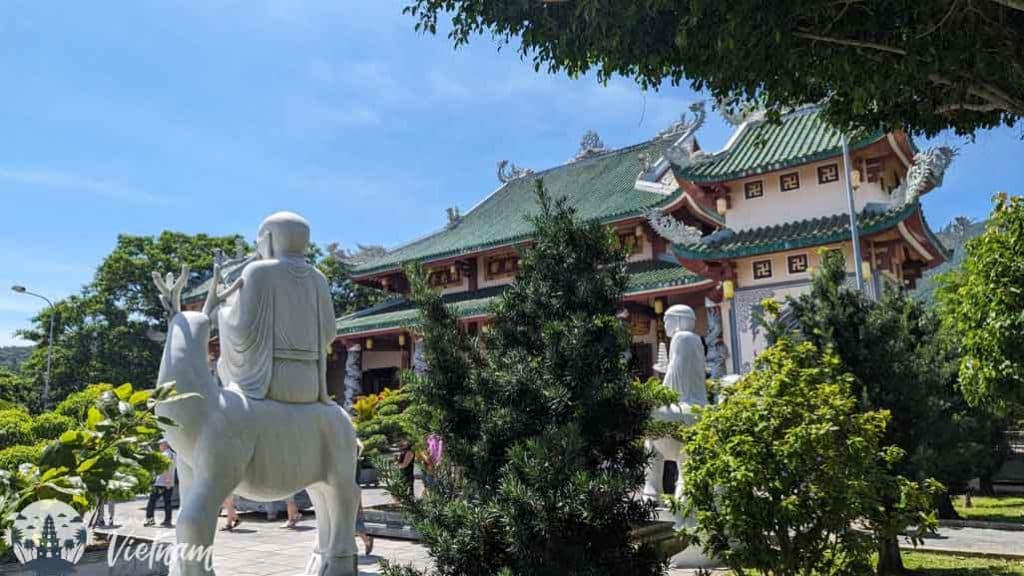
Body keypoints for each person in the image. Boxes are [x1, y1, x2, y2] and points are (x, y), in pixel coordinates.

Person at [216, 211, 336, 405]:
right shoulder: (318, 278)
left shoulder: (258, 271)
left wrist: (226, 309)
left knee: (222, 357)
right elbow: (330, 332)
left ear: (268, 238)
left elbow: (244, 330)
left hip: (268, 381)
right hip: (310, 384)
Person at [145, 440, 176, 527]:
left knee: (152, 501)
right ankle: (167, 521)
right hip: (170, 482)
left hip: (161, 483)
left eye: (160, 445)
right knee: (168, 502)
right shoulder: (174, 454)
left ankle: (150, 520)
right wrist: (170, 481)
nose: (159, 446)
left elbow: (165, 467)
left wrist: (167, 480)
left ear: (165, 445)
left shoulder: (165, 454)